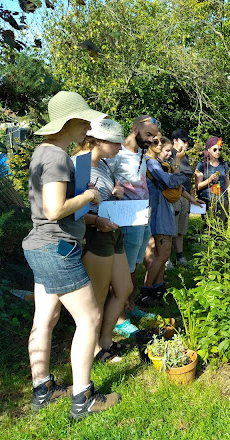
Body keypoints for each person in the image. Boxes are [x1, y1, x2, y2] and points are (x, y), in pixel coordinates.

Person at [22, 91, 120, 419]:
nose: (87, 129)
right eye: (83, 122)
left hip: (39, 245)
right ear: (69, 122)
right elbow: (54, 209)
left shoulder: (42, 152)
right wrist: (90, 194)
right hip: (57, 248)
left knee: (45, 319)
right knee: (89, 318)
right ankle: (83, 399)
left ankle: (43, 390)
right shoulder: (57, 157)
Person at [73, 118, 133, 363]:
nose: (120, 148)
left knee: (124, 288)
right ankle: (96, 348)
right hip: (95, 234)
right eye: (116, 143)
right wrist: (96, 221)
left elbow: (100, 200)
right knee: (97, 296)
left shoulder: (104, 164)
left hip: (112, 231)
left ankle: (106, 340)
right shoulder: (80, 165)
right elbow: (72, 212)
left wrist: (115, 195)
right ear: (97, 141)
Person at [102, 115, 160, 335]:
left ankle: (130, 305)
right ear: (135, 128)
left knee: (133, 266)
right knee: (122, 268)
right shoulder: (117, 154)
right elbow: (103, 179)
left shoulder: (142, 153)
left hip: (142, 217)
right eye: (148, 134)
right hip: (125, 219)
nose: (152, 140)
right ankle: (119, 318)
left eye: (154, 136)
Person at [136, 137, 190, 307]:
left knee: (161, 254)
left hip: (160, 208)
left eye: (161, 142)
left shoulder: (154, 163)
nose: (159, 145)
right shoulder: (151, 163)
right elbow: (170, 181)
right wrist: (181, 170)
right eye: (155, 142)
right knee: (163, 254)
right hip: (158, 211)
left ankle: (158, 288)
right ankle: (146, 291)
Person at [170, 128, 195, 266]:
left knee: (181, 228)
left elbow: (188, 178)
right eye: (184, 141)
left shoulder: (184, 156)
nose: (186, 144)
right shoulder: (170, 154)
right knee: (171, 229)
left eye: (188, 141)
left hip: (185, 196)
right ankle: (166, 259)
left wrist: (192, 197)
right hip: (174, 196)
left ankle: (179, 257)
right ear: (175, 140)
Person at [195, 136, 230, 226]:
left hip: (222, 200)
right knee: (208, 227)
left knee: (222, 226)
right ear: (208, 150)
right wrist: (209, 180)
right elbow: (198, 186)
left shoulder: (224, 164)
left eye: (220, 149)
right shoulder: (202, 165)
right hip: (207, 201)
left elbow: (227, 182)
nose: (218, 152)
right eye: (215, 149)